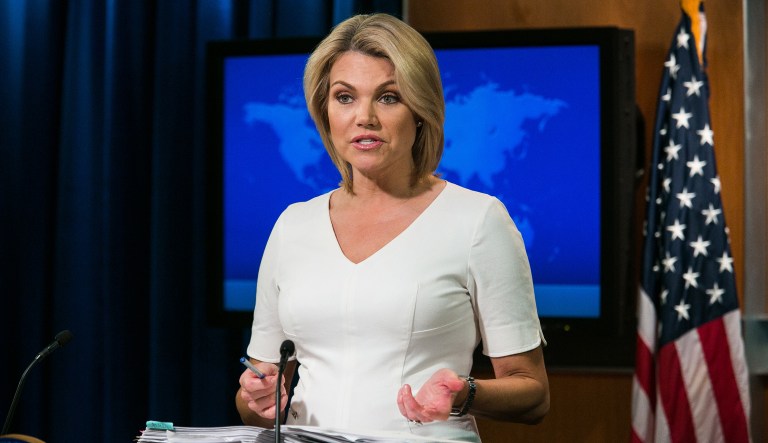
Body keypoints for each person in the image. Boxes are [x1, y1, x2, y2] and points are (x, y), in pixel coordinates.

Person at [235, 13, 549, 442]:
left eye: (388, 97)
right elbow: (256, 396)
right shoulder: (293, 225)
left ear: (420, 110)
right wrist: (260, 398)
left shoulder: (478, 219)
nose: (364, 116)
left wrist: (462, 393)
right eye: (345, 97)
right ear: (325, 111)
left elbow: (533, 394)